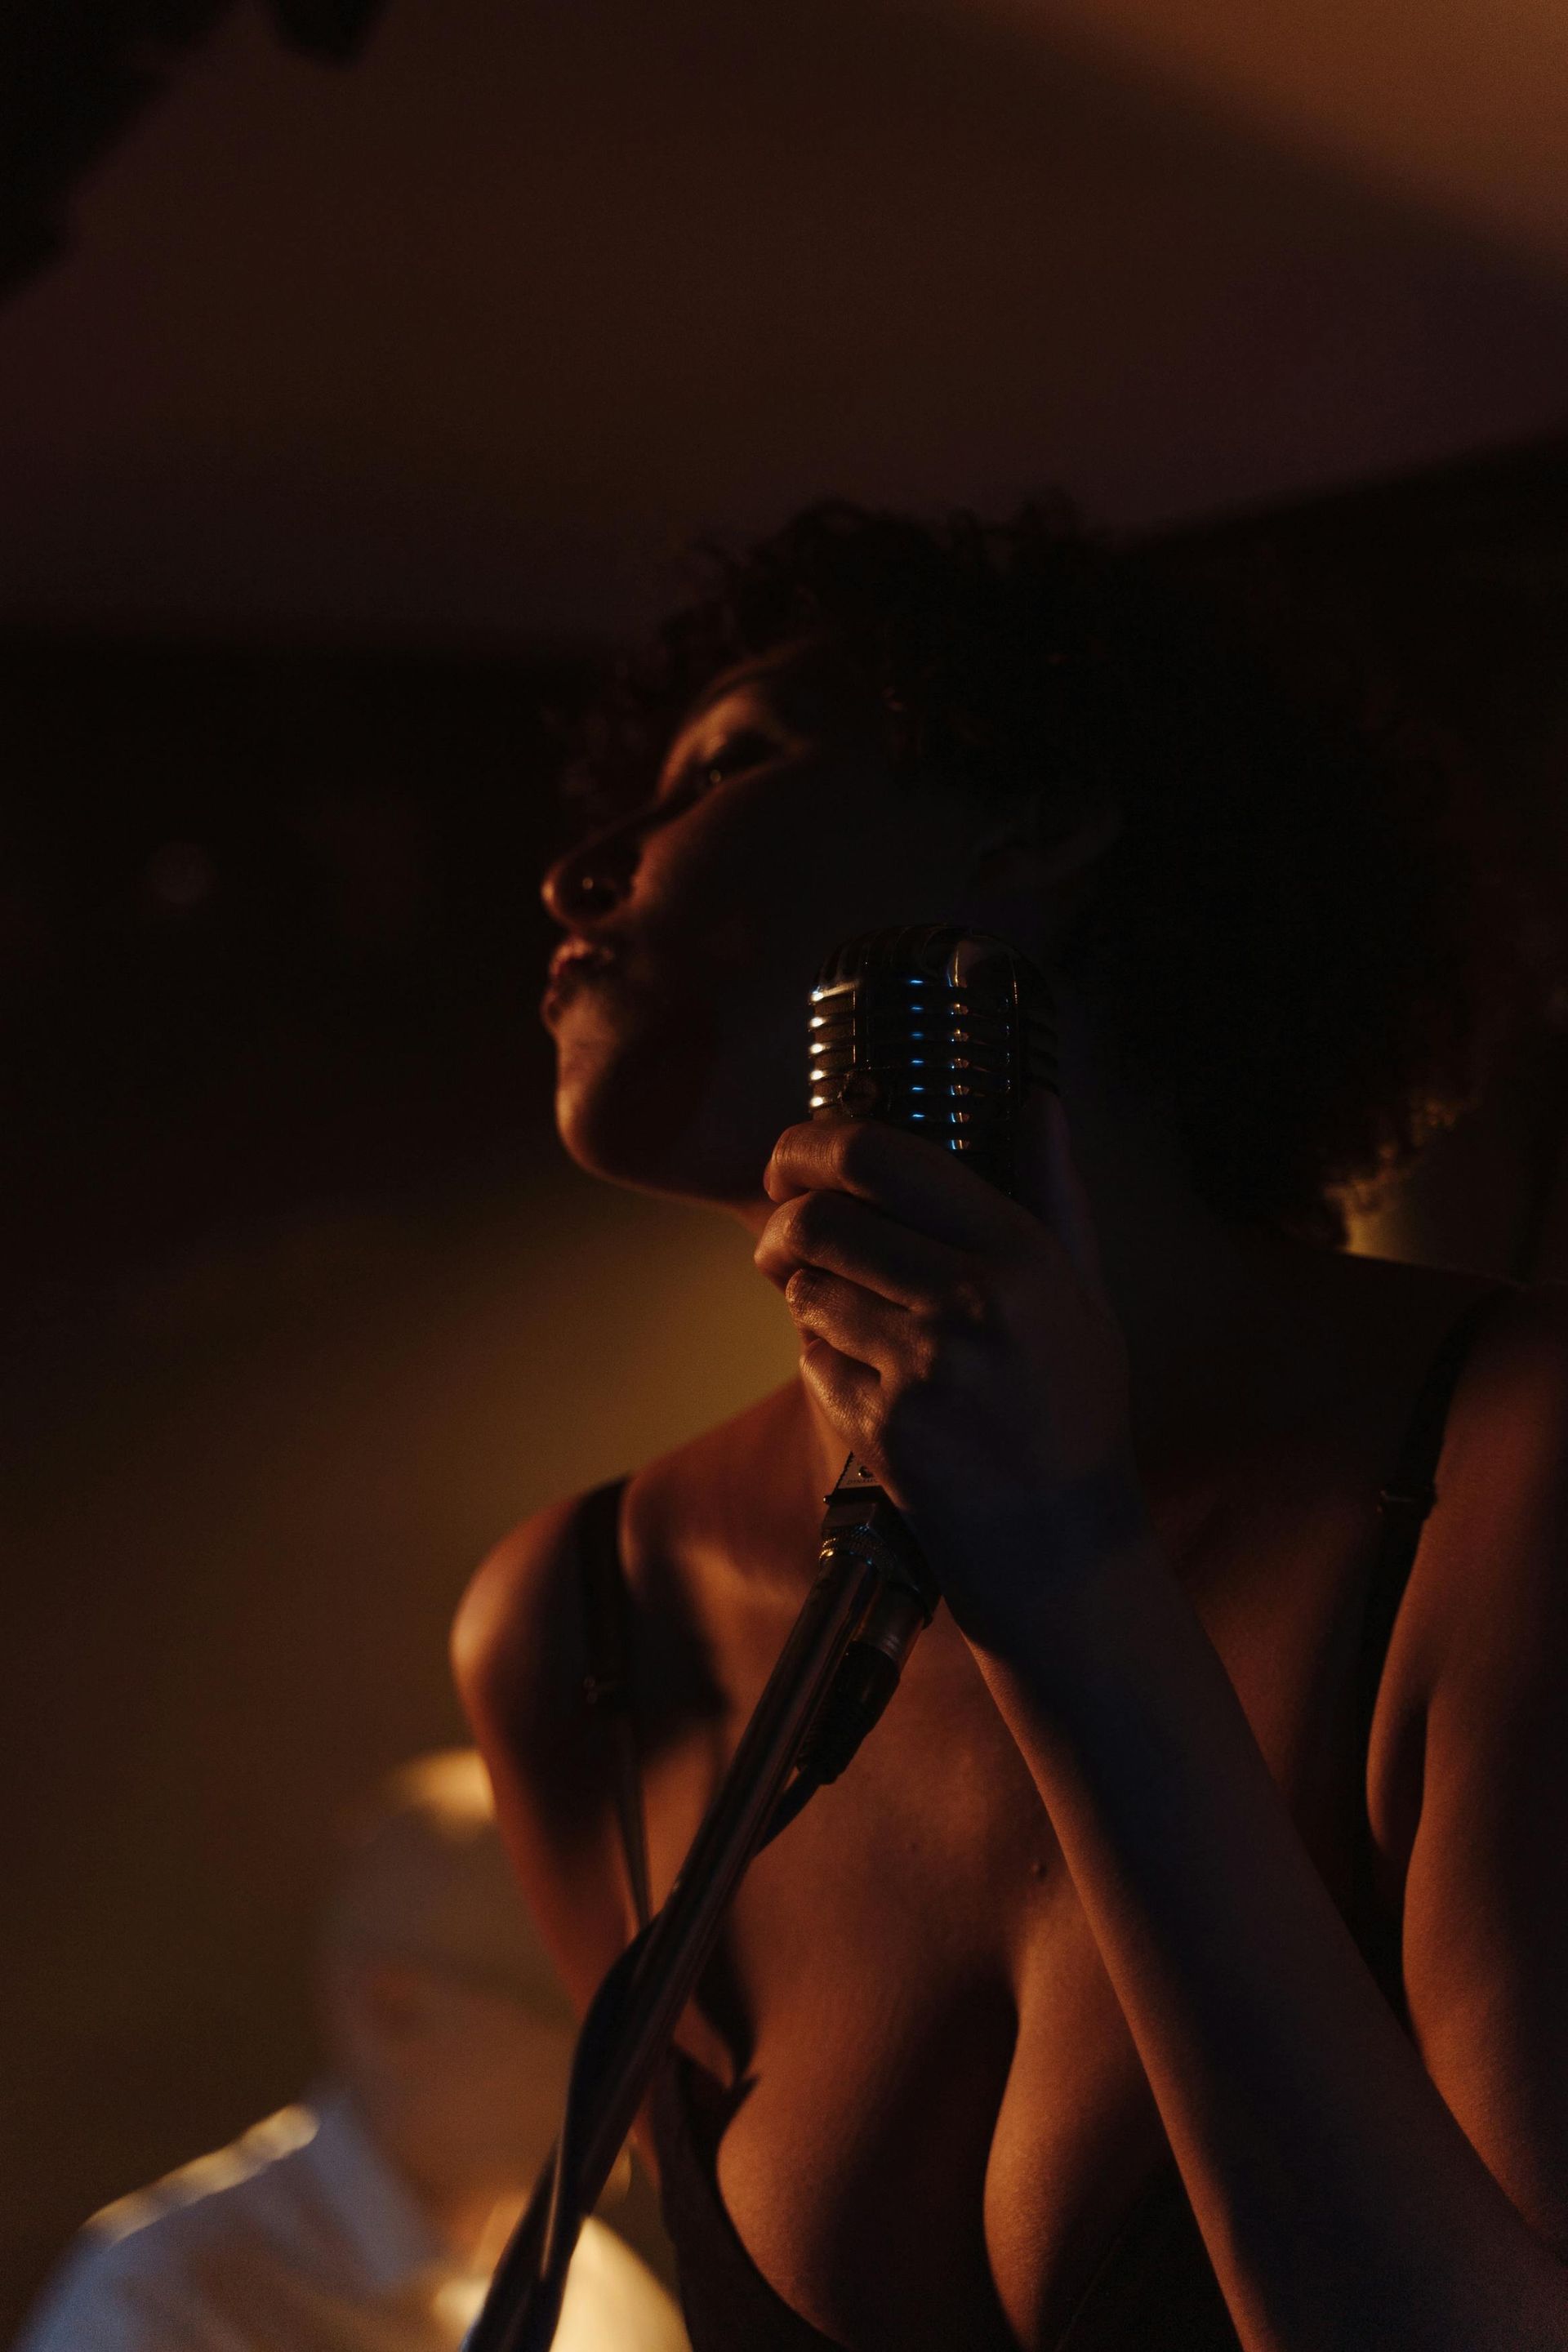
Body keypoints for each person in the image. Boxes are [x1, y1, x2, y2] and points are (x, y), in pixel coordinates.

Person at [452, 501, 1568, 2352]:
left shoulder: (1503, 1473)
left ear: (1034, 827)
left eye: (727, 763)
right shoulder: (583, 1613)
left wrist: (1067, 1587)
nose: (582, 875)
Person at [16, 1750, 688, 2352]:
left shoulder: (617, 2307)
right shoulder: (164, 2301)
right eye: (587, 2010)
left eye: (654, 2013)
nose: (647, 2057)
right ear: (394, 2012)